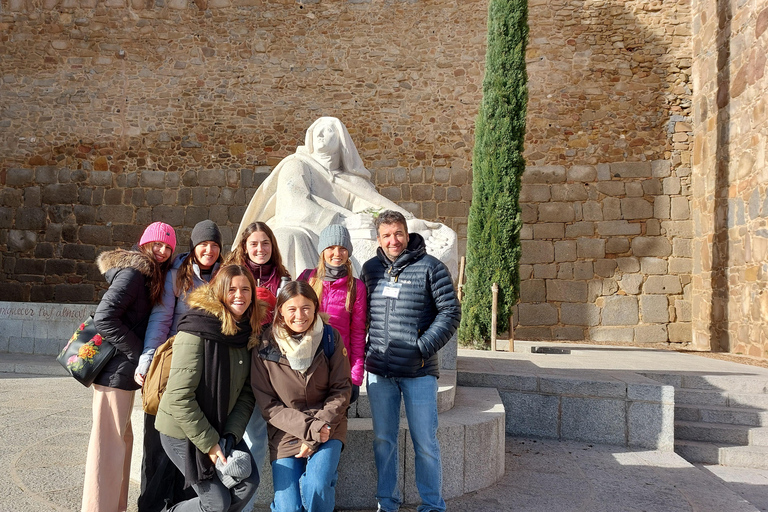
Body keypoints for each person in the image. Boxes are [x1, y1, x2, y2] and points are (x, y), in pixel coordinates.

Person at [235, 116, 457, 277]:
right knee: (288, 236)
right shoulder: (297, 165)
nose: (321, 134)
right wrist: (343, 219)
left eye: (329, 130)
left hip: (340, 233)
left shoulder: (351, 181)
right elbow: (294, 203)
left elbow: (373, 206)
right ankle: (302, 297)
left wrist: (408, 222)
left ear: (340, 140)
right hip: (303, 226)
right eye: (317, 130)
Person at [360, 210, 461, 512]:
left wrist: (422, 348)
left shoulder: (432, 267)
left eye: (398, 233)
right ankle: (387, 503)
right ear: (378, 239)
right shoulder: (370, 270)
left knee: (425, 444)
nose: (394, 240)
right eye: (387, 235)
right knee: (383, 442)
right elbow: (362, 318)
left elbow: (450, 312)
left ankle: (432, 506)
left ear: (407, 234)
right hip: (380, 374)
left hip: (419, 373)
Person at [81, 221, 176, 512]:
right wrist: (139, 354)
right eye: (156, 244)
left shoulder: (147, 274)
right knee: (106, 447)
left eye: (167, 247)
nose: (161, 251)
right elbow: (105, 317)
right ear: (144, 243)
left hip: (121, 373)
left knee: (120, 441)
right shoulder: (135, 273)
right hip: (115, 372)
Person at [155, 265, 264, 512]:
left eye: (246, 289)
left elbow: (247, 393)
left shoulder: (247, 332)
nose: (240, 295)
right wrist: (211, 444)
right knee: (216, 503)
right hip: (181, 430)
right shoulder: (196, 329)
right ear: (218, 292)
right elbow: (180, 398)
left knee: (248, 483)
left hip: (221, 425)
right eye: (232, 289)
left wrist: (229, 436)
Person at [136, 220, 224, 512]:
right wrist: (148, 358)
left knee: (191, 441)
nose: (208, 250)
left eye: (213, 245)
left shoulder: (225, 276)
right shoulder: (178, 273)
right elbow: (161, 319)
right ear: (193, 246)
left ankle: (184, 504)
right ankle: (151, 504)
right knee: (158, 440)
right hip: (173, 361)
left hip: (208, 366)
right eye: (203, 244)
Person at [250, 280, 352, 512]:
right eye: (292, 309)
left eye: (306, 308)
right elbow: (269, 405)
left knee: (316, 487)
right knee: (289, 509)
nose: (300, 315)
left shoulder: (329, 338)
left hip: (329, 425)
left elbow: (341, 390)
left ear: (315, 308)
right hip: (287, 431)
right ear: (280, 312)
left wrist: (319, 428)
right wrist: (309, 429)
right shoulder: (265, 345)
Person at [226, 220, 290, 510]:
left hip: (269, 368)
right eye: (254, 243)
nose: (260, 249)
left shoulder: (284, 280)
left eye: (265, 243)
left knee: (258, 439)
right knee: (231, 437)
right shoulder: (232, 278)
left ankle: (246, 506)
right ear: (245, 247)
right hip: (235, 367)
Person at [298, 224, 366, 399]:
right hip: (308, 363)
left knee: (337, 421)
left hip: (339, 365)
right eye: (331, 248)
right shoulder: (307, 279)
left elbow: (358, 333)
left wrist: (356, 376)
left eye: (342, 248)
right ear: (322, 251)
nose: (337, 253)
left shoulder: (356, 287)